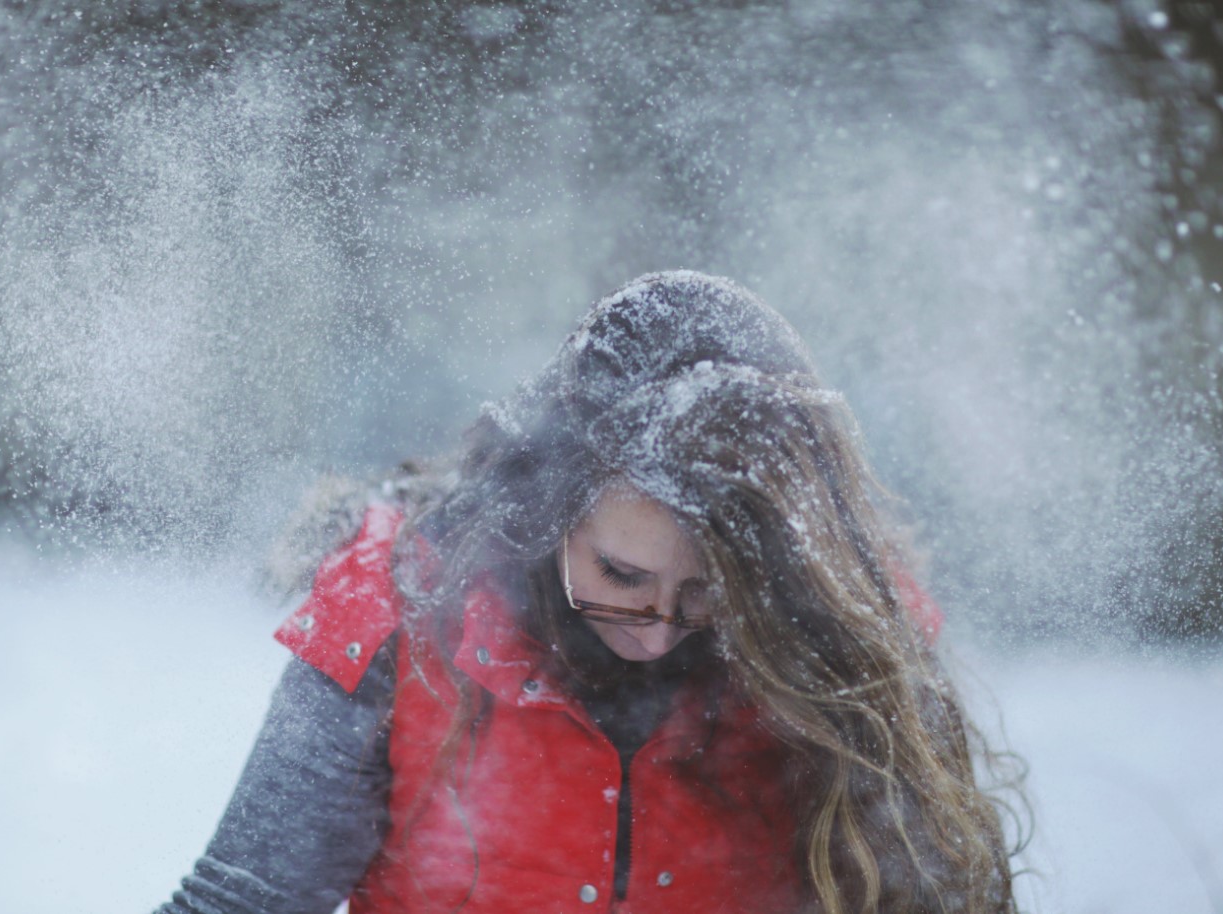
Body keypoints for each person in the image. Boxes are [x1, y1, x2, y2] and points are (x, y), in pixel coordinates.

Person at [157, 271, 1021, 914]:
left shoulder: (845, 642)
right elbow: (242, 899)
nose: (654, 634)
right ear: (551, 506)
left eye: (708, 595)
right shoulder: (396, 611)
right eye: (621, 576)